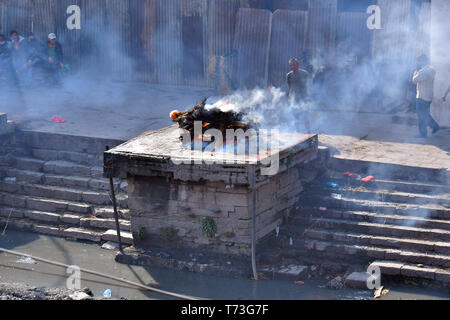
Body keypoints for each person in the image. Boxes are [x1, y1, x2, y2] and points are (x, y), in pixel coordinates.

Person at [412, 55, 440, 138]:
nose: (418, 63)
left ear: (422, 61)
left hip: (422, 96)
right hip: (428, 95)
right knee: (425, 114)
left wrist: (416, 72)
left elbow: (414, 80)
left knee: (422, 116)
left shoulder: (423, 71)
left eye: (419, 61)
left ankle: (423, 133)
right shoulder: (431, 69)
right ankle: (434, 126)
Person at [286, 58, 311, 133]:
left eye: (294, 65)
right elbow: (290, 86)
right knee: (295, 116)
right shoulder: (289, 75)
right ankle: (298, 132)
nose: (292, 67)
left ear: (298, 65)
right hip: (293, 98)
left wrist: (307, 96)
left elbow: (308, 85)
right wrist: (290, 97)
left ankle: (308, 132)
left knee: (305, 116)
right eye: (291, 65)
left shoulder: (304, 74)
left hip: (303, 98)